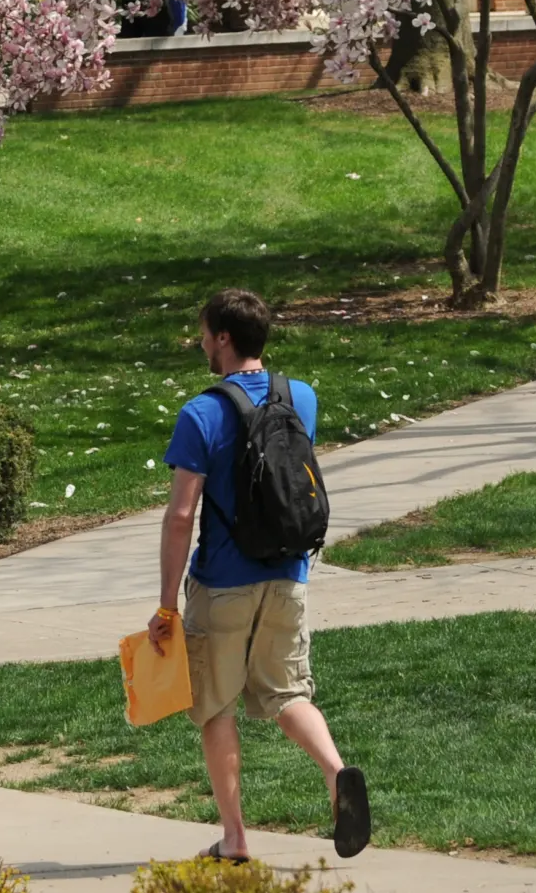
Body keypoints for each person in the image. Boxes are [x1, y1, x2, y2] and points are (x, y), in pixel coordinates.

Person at [147, 288, 369, 862]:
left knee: (216, 706)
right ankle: (336, 773)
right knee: (288, 692)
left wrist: (167, 604)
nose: (200, 342)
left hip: (223, 582)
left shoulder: (201, 413)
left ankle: (236, 838)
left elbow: (179, 517)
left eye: (203, 332)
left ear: (223, 338)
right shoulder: (301, 397)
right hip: (290, 572)